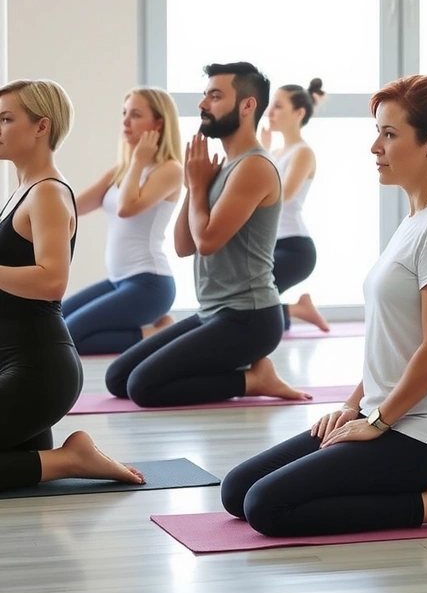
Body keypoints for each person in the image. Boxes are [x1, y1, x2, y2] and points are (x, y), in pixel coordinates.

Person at [220, 63, 427, 537]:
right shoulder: (418, 219)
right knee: (237, 490)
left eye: (389, 134)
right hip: (391, 416)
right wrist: (353, 407)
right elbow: (395, 340)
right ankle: (420, 487)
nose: (375, 147)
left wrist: (379, 420)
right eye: (376, 132)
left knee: (267, 506)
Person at [104, 62, 307, 407]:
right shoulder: (222, 168)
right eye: (204, 95)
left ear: (247, 106)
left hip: (249, 319)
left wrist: (198, 186)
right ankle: (249, 375)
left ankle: (253, 379)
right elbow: (185, 246)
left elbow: (208, 243)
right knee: (118, 378)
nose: (202, 105)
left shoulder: (254, 167)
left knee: (143, 388)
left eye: (215, 96)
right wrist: (193, 185)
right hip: (214, 311)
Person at [0, 79, 143, 491]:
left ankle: (68, 460)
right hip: (15, 365)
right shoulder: (23, 191)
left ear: (41, 127)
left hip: (37, 372)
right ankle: (55, 460)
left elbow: (52, 281)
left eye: (7, 119)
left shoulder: (46, 194)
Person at [62, 88, 183, 355]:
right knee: (55, 325)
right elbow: (72, 208)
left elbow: (127, 208)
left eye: (136, 115)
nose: (126, 121)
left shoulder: (170, 170)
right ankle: (155, 332)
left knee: (68, 337)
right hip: (119, 280)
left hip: (150, 285)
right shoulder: (121, 171)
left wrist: (139, 160)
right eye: (125, 113)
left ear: (158, 123)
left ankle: (155, 333)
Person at [260, 78, 329, 332]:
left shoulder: (303, 152)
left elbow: (283, 195)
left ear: (299, 113)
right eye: (271, 105)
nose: (269, 112)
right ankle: (298, 309)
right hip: (272, 244)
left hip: (295, 248)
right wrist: (263, 150)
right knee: (249, 300)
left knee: (249, 298)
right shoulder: (276, 153)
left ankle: (298, 310)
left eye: (278, 106)